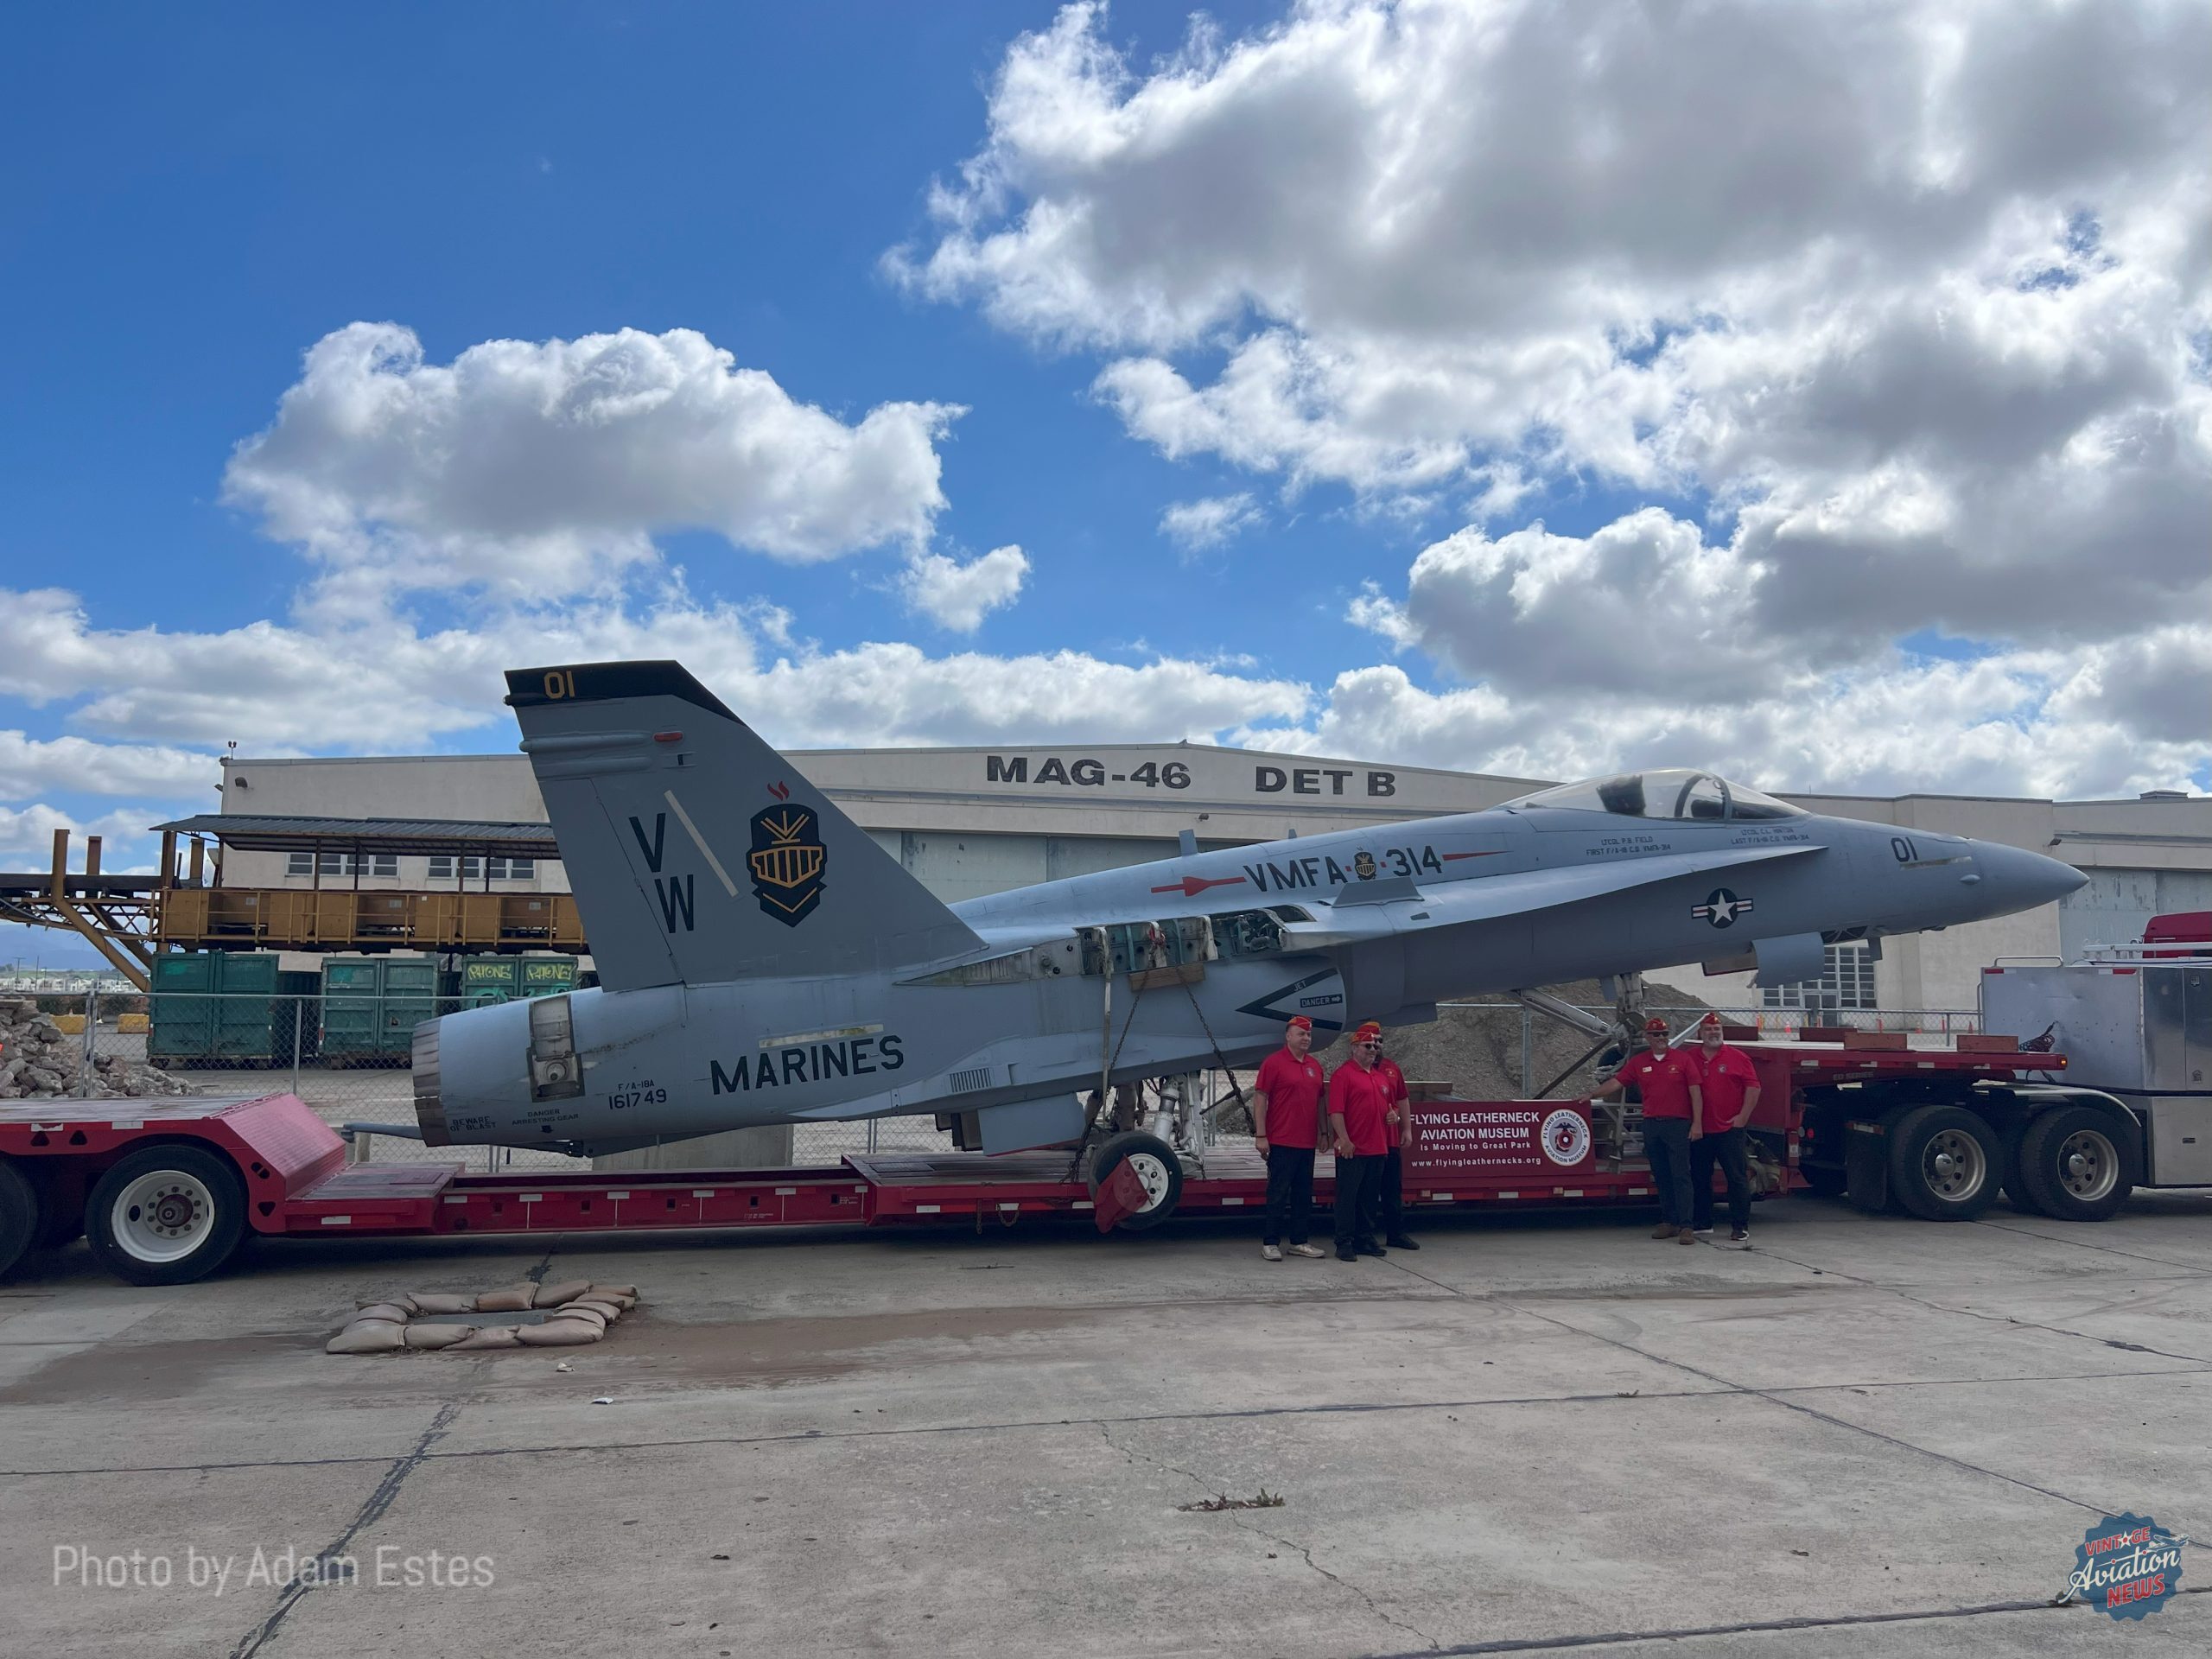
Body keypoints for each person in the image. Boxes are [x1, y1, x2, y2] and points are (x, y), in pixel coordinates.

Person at [1592, 1016, 1700, 1243]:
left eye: (1665, 1034)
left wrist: (1697, 1123)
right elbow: (1617, 1082)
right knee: (1661, 1174)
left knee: (1681, 1174)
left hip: (1678, 1124)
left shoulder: (1683, 1060)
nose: (1661, 1038)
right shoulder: (1639, 1062)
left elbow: (1695, 1092)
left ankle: (1687, 1225)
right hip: (1652, 1124)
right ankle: (1669, 1221)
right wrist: (1591, 1094)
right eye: (1656, 1034)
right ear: (1647, 1037)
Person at [1252, 1015, 1328, 1261]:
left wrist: (1323, 1133)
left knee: (1303, 1194)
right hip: (1282, 1140)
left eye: (1308, 1034)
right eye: (1301, 1034)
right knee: (1278, 1193)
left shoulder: (1315, 1066)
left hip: (1307, 1142)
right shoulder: (1274, 1063)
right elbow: (1260, 1098)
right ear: (1288, 1036)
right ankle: (1270, 1242)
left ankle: (1299, 1241)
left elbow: (1320, 1102)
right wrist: (1261, 1135)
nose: (1306, 1038)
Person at [1686, 1013, 1760, 1246]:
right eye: (1708, 1029)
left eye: (1717, 1029)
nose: (1713, 1033)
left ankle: (1740, 1226)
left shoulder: (1738, 1058)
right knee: (1700, 1177)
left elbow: (1753, 1088)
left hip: (1729, 1129)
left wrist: (1742, 1118)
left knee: (1736, 1178)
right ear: (1700, 1033)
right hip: (1700, 1130)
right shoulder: (1690, 1058)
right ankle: (1703, 1222)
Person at [1329, 1020, 1393, 1261]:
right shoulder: (1343, 1075)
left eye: (1375, 1046)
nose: (1372, 1050)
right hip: (1353, 1149)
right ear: (1354, 1048)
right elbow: (1336, 1111)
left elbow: (1390, 1107)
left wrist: (1394, 1116)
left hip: (1377, 1147)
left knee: (1369, 1198)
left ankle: (1364, 1238)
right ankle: (1344, 1241)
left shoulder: (1380, 1078)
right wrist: (1344, 1139)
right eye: (1367, 1046)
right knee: (1348, 1197)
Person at [1373, 1037, 1420, 1251]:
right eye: (1370, 1042)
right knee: (1367, 1192)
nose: (1376, 1045)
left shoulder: (1392, 1069)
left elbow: (1402, 1099)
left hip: (1390, 1140)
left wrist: (1407, 1129)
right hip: (1368, 1142)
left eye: (1379, 1041)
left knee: (1392, 1190)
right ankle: (1365, 1236)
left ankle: (1396, 1234)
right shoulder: (1353, 1070)